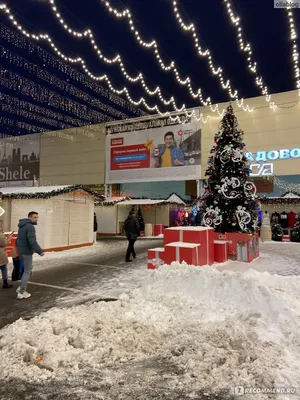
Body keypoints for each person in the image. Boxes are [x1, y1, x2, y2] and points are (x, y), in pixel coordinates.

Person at [16, 211, 44, 300]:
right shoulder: (30, 226)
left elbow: (19, 240)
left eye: (37, 217)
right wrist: (40, 251)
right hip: (26, 252)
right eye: (35, 217)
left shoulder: (22, 225)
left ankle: (21, 287)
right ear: (30, 217)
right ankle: (21, 291)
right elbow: (32, 241)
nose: (37, 219)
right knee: (27, 271)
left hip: (21, 251)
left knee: (27, 270)